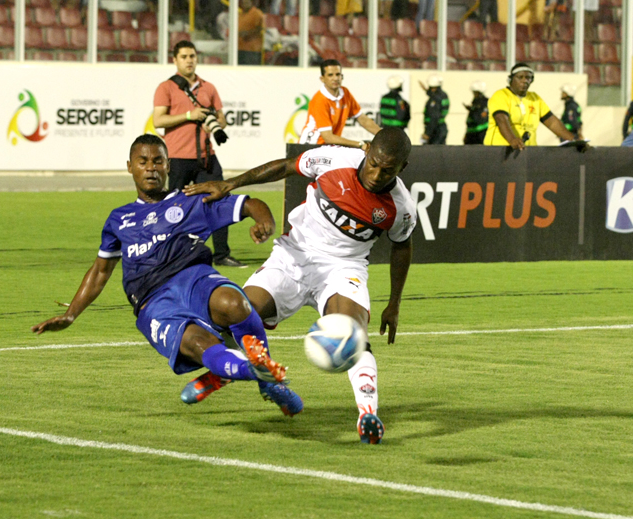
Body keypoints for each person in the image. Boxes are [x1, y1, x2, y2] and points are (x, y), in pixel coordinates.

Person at [31, 135, 301, 415]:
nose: (151, 168)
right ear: (130, 167)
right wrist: (71, 315)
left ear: (168, 166)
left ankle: (267, 382)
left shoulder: (191, 200)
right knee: (197, 344)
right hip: (152, 301)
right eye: (143, 162)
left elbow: (249, 204)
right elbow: (100, 271)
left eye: (157, 161)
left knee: (235, 303)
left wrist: (264, 220)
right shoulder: (119, 219)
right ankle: (248, 369)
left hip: (194, 278)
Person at [184, 127, 418, 444]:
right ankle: (222, 373)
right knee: (239, 313)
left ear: (402, 167)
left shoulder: (401, 206)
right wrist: (232, 183)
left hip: (343, 269)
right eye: (374, 163)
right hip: (293, 256)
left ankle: (368, 414)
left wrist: (394, 304)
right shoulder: (335, 160)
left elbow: (402, 247)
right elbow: (285, 166)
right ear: (366, 151)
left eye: (387, 170)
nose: (376, 175)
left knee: (353, 332)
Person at [153, 41, 245, 268]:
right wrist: (189, 115)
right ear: (175, 60)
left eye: (192, 56)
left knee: (219, 200)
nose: (189, 60)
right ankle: (171, 253)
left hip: (206, 157)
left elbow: (222, 119)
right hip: (178, 156)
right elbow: (158, 120)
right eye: (184, 56)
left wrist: (214, 123)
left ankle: (221, 254)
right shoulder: (166, 87)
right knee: (175, 207)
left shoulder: (208, 88)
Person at [484, 63, 577, 149]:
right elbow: (501, 119)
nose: (524, 81)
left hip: (528, 151)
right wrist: (512, 140)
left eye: (528, 78)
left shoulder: (535, 98)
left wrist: (573, 141)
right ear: (511, 79)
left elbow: (552, 122)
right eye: (520, 77)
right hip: (500, 150)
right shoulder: (501, 95)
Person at [299, 59, 381, 147]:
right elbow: (328, 137)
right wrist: (360, 144)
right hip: (311, 146)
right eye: (330, 75)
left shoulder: (345, 93)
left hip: (328, 146)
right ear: (322, 79)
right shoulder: (320, 100)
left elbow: (363, 119)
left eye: (338, 74)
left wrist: (383, 135)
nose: (335, 78)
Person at [422, 75, 449, 144]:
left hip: (435, 131)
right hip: (441, 128)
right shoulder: (443, 95)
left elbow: (434, 116)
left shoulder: (435, 99)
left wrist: (428, 133)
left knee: (432, 150)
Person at [237, 0, 264, 65]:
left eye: (247, 3)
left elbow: (261, 28)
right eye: (243, 3)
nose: (245, 5)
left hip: (252, 49)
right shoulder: (240, 14)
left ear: (252, 3)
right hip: (240, 48)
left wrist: (247, 33)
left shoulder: (257, 13)